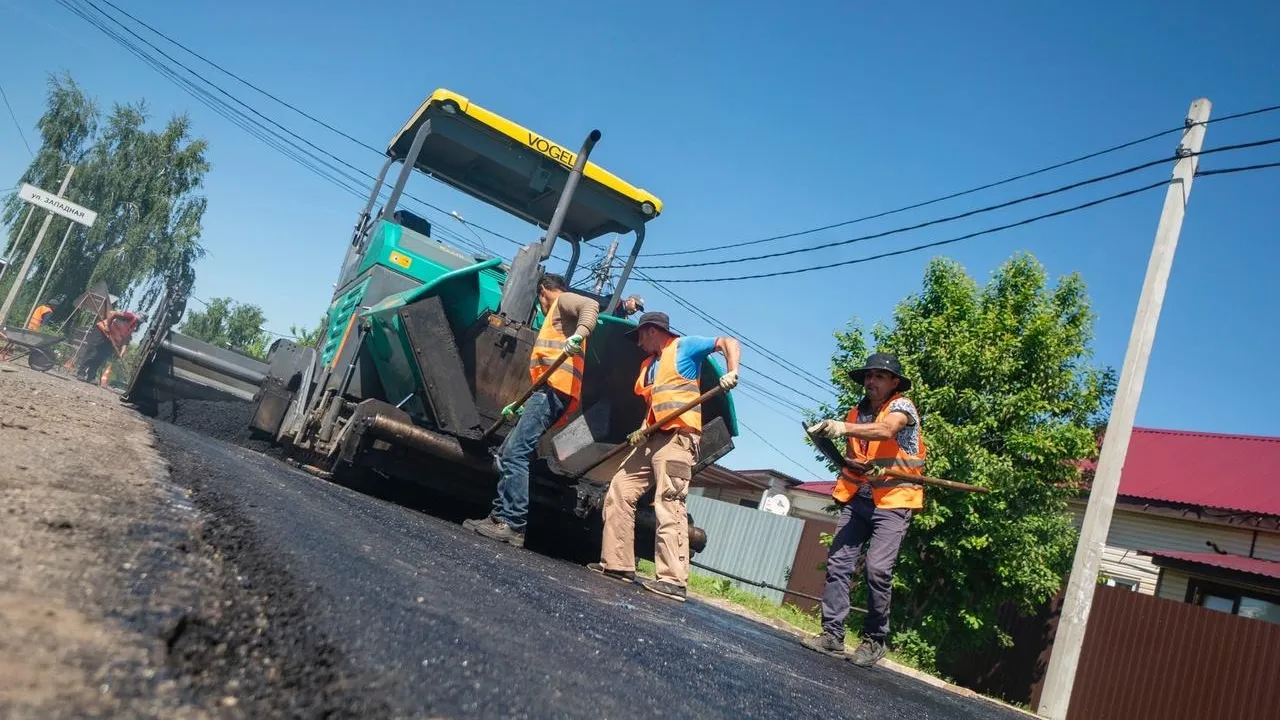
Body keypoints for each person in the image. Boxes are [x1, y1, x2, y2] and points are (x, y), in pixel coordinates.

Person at [589, 311, 740, 601]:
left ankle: (673, 580)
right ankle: (618, 564)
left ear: (651, 331)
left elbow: (728, 342)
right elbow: (658, 404)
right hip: (653, 438)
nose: (638, 344)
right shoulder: (650, 365)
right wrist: (642, 430)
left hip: (679, 438)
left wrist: (732, 371)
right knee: (619, 490)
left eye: (640, 337)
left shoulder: (684, 347)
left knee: (670, 501)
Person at [801, 352, 926, 667]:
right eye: (868, 376)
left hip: (894, 501)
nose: (871, 381)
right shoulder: (855, 414)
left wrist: (842, 428)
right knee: (839, 563)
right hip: (860, 499)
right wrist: (853, 462)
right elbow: (858, 457)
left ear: (894, 383)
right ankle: (832, 636)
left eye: (879, 376)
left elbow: (886, 431)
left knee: (877, 570)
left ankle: (874, 639)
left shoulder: (902, 407)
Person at [465, 273, 599, 548]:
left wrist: (579, 335)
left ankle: (512, 524)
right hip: (545, 393)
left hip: (554, 392)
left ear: (542, 292)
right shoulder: (555, 319)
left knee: (516, 453)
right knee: (505, 452)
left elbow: (591, 307)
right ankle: (499, 516)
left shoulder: (563, 301)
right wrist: (520, 405)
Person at [76, 309, 146, 383]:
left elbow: (126, 340)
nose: (140, 323)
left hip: (111, 340)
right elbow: (113, 313)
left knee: (101, 357)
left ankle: (91, 376)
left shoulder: (133, 325)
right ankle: (81, 372)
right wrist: (107, 326)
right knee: (92, 353)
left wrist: (122, 352)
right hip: (102, 332)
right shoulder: (130, 316)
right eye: (140, 320)